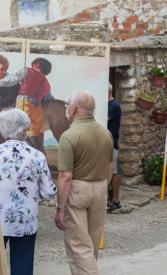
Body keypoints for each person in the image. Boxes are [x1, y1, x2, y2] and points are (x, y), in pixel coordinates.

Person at [55, 91, 113, 274]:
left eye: (67, 105)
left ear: (74, 108)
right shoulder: (105, 133)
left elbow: (65, 175)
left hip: (78, 190)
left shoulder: (69, 135)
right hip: (101, 187)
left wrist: (59, 208)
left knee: (79, 245)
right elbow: (111, 166)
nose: (66, 108)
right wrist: (101, 186)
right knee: (92, 242)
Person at [0, 108, 56, 275]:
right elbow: (49, 193)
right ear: (25, 129)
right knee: (23, 267)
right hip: (26, 219)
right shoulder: (37, 156)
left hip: (0, 220)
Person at [16, 57, 53, 151]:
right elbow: (49, 98)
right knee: (34, 132)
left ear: (37, 64)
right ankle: (35, 150)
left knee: (21, 129)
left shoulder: (27, 71)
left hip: (24, 103)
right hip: (37, 108)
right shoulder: (46, 83)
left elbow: (14, 80)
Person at [107, 83, 122, 212]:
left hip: (111, 143)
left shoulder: (114, 106)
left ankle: (116, 200)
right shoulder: (107, 105)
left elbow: (103, 119)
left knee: (114, 171)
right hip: (105, 142)